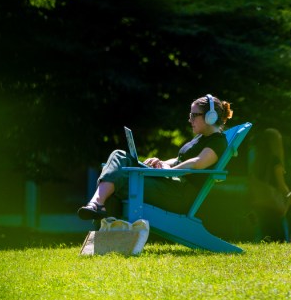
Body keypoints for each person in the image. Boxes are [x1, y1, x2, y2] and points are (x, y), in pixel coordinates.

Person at [77, 94, 233, 226]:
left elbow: (198, 162)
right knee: (119, 156)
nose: (189, 119)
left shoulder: (217, 142)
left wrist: (170, 171)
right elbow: (180, 159)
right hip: (171, 186)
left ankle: (98, 209)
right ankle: (97, 204)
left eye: (193, 115)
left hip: (179, 194)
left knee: (119, 179)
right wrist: (163, 163)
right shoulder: (201, 138)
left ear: (209, 117)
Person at [247, 128, 291, 242]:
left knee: (263, 237)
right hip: (273, 207)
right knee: (279, 239)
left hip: (259, 204)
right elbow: (281, 185)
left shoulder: (257, 159)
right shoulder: (275, 160)